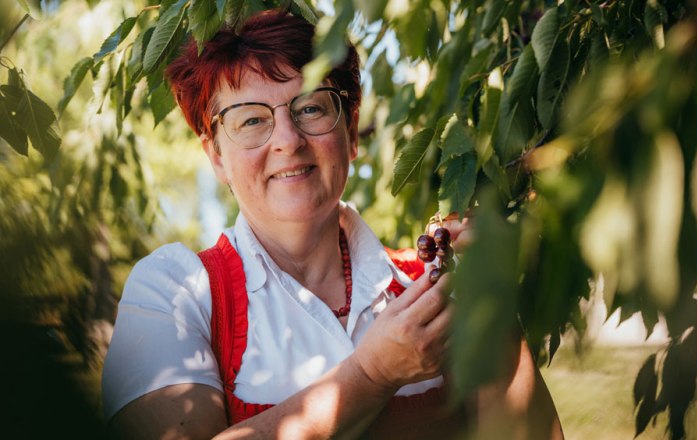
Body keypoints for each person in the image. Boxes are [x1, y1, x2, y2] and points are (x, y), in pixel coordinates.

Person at [101, 9, 562, 439]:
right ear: (216, 155)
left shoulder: (434, 288)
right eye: (251, 120)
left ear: (351, 128)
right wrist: (370, 374)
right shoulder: (175, 293)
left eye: (311, 108)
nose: (287, 140)